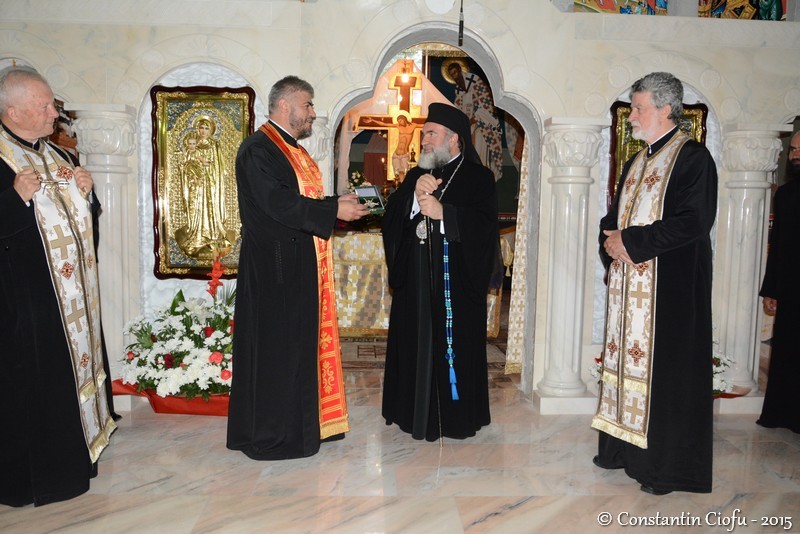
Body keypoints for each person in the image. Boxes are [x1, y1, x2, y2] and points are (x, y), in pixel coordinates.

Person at [226, 75, 368, 460]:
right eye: (307, 105)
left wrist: (337, 203)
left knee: (298, 348)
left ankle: (307, 424)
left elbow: (302, 199)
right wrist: (331, 210)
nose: (312, 113)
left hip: (297, 265)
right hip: (275, 271)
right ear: (284, 105)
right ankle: (276, 435)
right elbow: (278, 204)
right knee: (278, 353)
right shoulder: (259, 149)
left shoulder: (291, 149)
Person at [590, 72, 718, 495]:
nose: (632, 116)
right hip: (631, 288)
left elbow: (693, 222)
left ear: (666, 109)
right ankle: (621, 451)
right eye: (632, 108)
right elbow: (615, 217)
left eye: (639, 108)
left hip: (670, 294)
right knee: (625, 368)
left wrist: (631, 242)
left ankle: (663, 467)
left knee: (666, 378)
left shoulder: (693, 159)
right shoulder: (639, 159)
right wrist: (610, 240)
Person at [0, 65, 116, 507]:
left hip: (73, 301)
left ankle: (78, 457)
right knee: (36, 386)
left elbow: (86, 229)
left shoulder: (60, 157)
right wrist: (14, 199)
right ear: (13, 110)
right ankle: (40, 477)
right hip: (24, 303)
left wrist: (88, 196)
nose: (55, 113)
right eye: (45, 105)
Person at [381, 102, 499, 441]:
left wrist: (445, 213)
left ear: (454, 139)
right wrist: (414, 202)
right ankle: (410, 412)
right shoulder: (417, 176)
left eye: (431, 134)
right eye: (424, 134)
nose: (425, 141)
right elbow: (391, 221)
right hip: (415, 287)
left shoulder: (479, 178)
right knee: (414, 344)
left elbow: (484, 228)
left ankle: (456, 416)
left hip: (455, 288)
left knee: (452, 350)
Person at [756, 130, 800, 434]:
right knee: (787, 352)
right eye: (794, 149)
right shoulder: (786, 194)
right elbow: (780, 244)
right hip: (791, 287)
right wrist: (771, 290)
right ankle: (783, 414)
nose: (794, 154)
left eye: (799, 149)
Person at [174, 115, 231, 259]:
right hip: (196, 184)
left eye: (207, 128)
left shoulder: (214, 145)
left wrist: (211, 176)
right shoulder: (191, 145)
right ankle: (197, 235)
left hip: (210, 183)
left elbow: (218, 167)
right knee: (196, 207)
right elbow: (185, 164)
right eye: (201, 128)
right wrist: (191, 169)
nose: (204, 131)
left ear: (211, 130)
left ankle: (212, 236)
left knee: (210, 208)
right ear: (197, 129)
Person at [446, 60, 503, 181]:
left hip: (484, 125)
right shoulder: (459, 90)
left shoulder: (476, 81)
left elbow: (487, 104)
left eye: (455, 72)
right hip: (469, 126)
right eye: (452, 75)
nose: (455, 77)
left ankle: (484, 175)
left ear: (460, 71)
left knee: (478, 143)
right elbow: (458, 109)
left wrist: (474, 120)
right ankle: (473, 176)